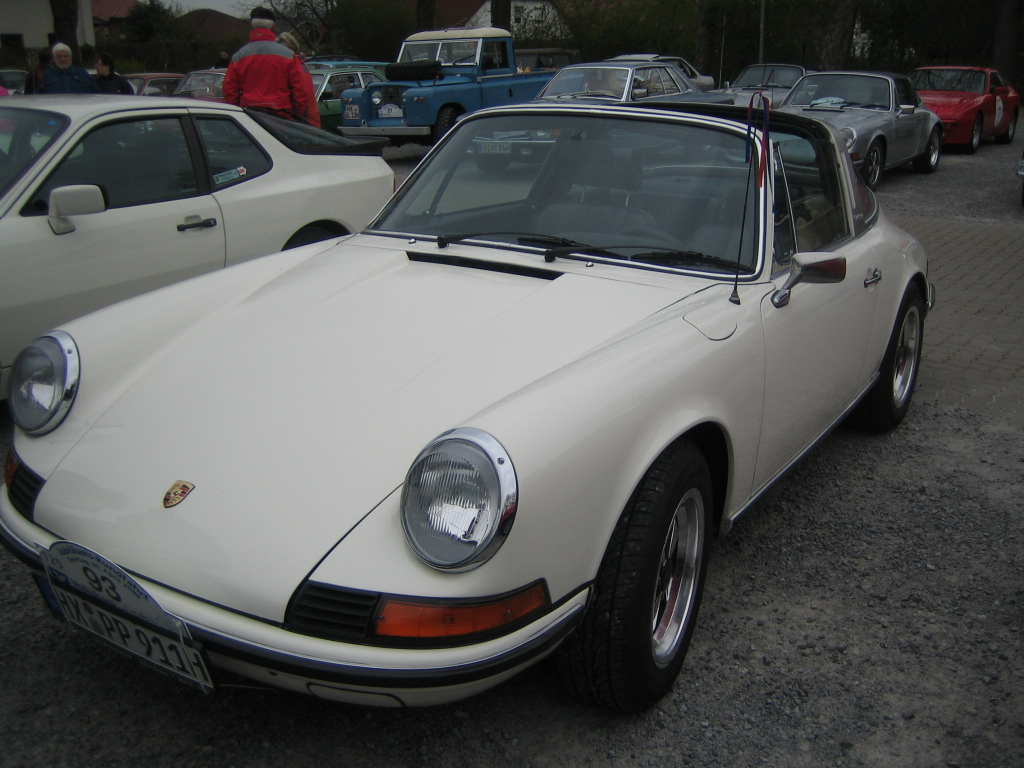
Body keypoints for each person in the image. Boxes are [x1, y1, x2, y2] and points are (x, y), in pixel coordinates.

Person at [222, 7, 314, 126]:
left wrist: (240, 113)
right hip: (282, 118)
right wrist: (296, 116)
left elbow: (229, 92)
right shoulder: (288, 55)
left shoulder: (238, 57)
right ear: (273, 26)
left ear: (251, 25)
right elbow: (301, 91)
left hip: (250, 117)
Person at [276, 31, 320, 128]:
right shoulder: (300, 66)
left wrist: (294, 118)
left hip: (305, 123)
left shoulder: (298, 68)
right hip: (307, 120)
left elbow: (301, 97)